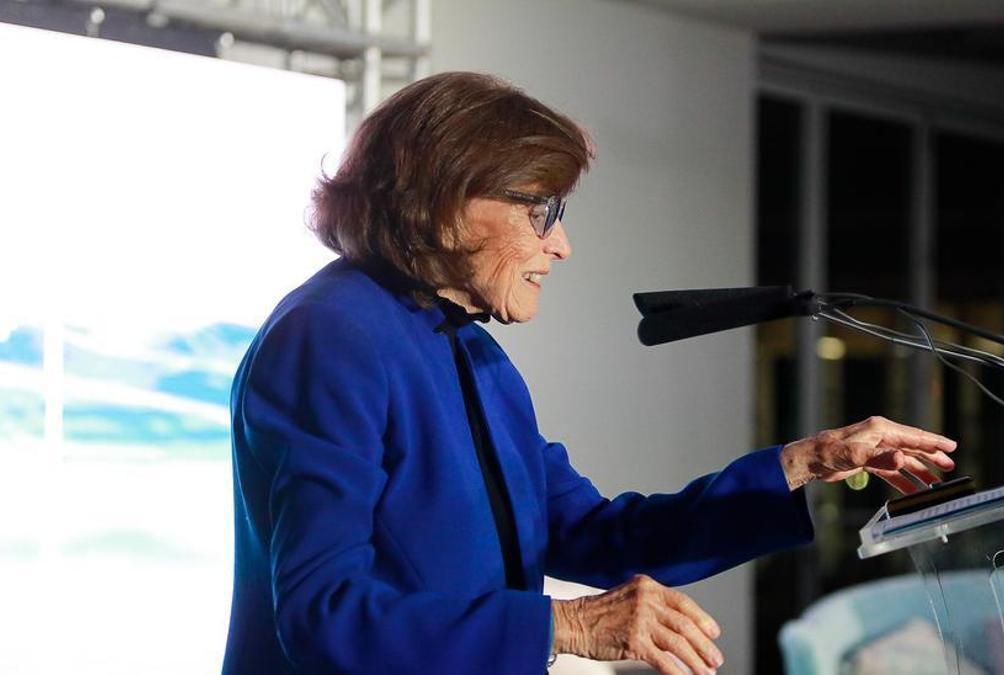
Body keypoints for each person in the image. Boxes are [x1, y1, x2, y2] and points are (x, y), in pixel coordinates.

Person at [220, 71, 957, 675]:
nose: (562, 244)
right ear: (443, 205)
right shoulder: (331, 334)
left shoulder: (474, 353)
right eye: (541, 210)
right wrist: (565, 625)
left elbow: (598, 535)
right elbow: (323, 611)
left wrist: (802, 464)